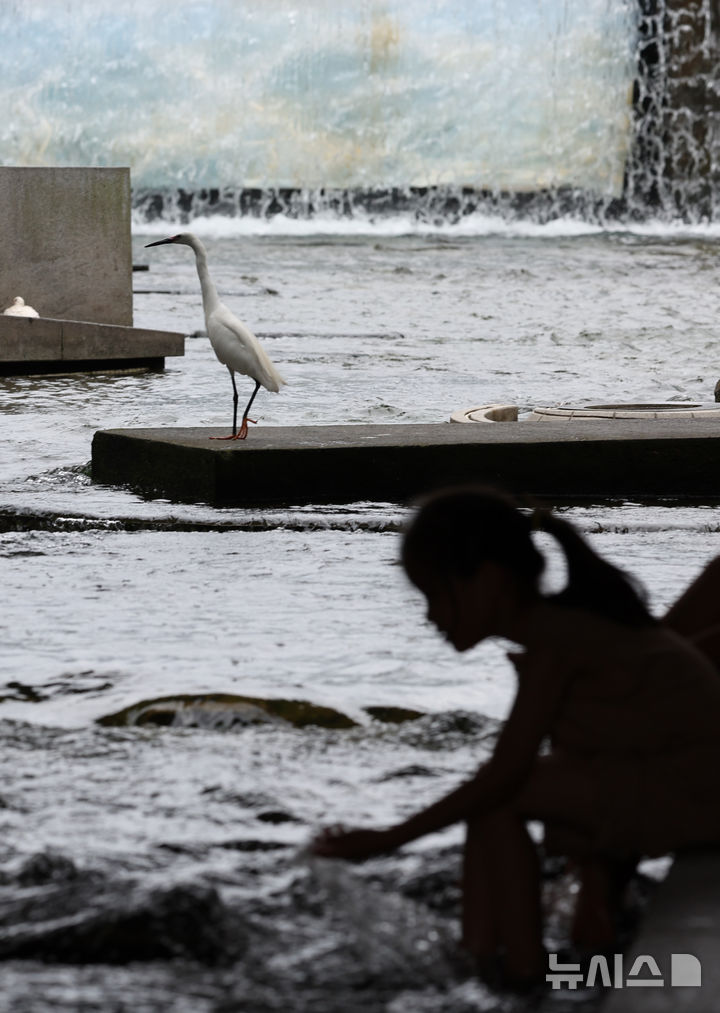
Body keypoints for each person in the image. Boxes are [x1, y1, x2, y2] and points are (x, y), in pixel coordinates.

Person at [311, 486, 720, 991]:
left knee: (502, 795)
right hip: (679, 786)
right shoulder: (565, 633)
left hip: (701, 795)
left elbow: (506, 772)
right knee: (495, 802)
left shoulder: (558, 641)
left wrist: (385, 840)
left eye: (435, 594)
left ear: (488, 580)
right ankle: (482, 955)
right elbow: (580, 752)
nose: (430, 616)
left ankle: (524, 973)